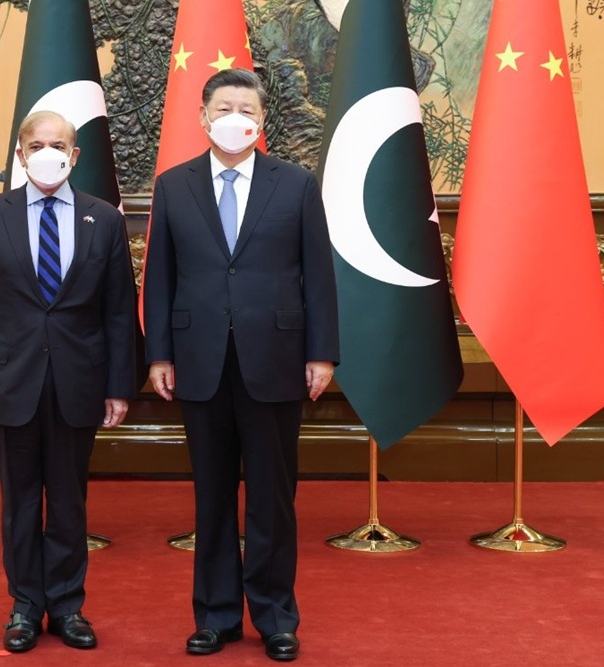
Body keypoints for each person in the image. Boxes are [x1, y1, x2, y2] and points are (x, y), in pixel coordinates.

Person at [142, 68, 340, 662]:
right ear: (203, 118)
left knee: (273, 498)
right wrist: (159, 354)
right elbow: (161, 276)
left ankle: (276, 616)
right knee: (212, 497)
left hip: (277, 360)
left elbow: (319, 276)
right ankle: (216, 616)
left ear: (261, 120)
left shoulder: (297, 184)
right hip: (199, 360)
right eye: (223, 107)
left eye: (245, 108)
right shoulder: (173, 186)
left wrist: (321, 351)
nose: (235, 117)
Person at [0, 110, 136, 653]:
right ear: (20, 153)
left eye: (58, 144)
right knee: (20, 502)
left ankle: (68, 606)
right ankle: (25, 607)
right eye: (37, 144)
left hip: (80, 381)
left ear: (75, 155)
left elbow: (120, 311)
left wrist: (119, 385)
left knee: (69, 501)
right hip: (11, 382)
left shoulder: (103, 219)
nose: (47, 152)